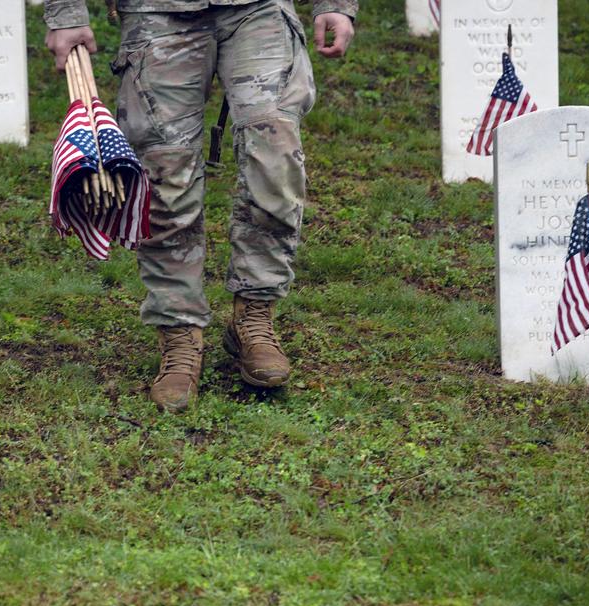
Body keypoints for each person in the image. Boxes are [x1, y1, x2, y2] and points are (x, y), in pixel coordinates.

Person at [45, 0, 356, 412]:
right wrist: (66, 14)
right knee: (164, 174)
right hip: (157, 11)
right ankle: (179, 332)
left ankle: (254, 314)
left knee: (276, 154)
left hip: (258, 9)